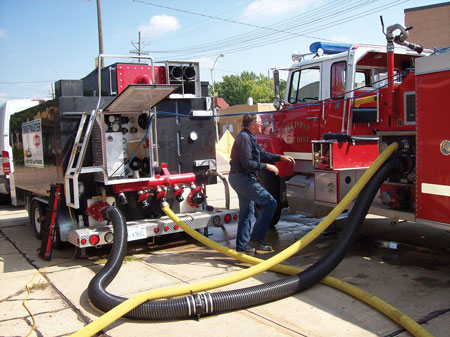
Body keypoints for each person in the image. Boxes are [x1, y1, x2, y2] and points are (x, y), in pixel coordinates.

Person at [228, 114, 295, 255]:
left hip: (239, 178)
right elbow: (247, 163)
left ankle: (242, 246)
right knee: (270, 202)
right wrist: (267, 167)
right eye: (259, 122)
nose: (262, 124)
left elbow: (262, 154)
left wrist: (280, 158)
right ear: (252, 124)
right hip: (242, 178)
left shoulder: (249, 137)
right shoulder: (244, 138)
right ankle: (256, 240)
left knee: (247, 212)